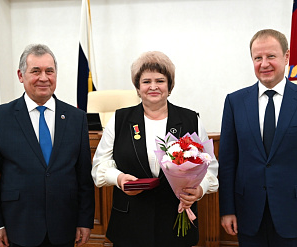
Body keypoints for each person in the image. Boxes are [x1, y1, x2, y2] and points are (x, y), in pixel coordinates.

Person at [92, 51, 218, 247]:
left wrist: (200, 190)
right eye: (146, 81)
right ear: (137, 86)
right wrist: (118, 178)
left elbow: (210, 167)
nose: (153, 87)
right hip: (130, 223)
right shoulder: (119, 120)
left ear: (169, 86)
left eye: (160, 80)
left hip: (175, 219)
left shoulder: (190, 119)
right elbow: (99, 165)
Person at [219, 29, 297, 247]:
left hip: (296, 215)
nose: (264, 64)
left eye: (271, 56)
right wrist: (227, 210)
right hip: (248, 214)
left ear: (286, 56)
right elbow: (228, 163)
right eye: (257, 58)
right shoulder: (234, 102)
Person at [0, 44, 95, 247]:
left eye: (49, 71)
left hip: (65, 225)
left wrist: (85, 220)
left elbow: (84, 175)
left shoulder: (77, 118)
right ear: (21, 75)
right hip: (19, 225)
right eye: (36, 71)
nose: (44, 78)